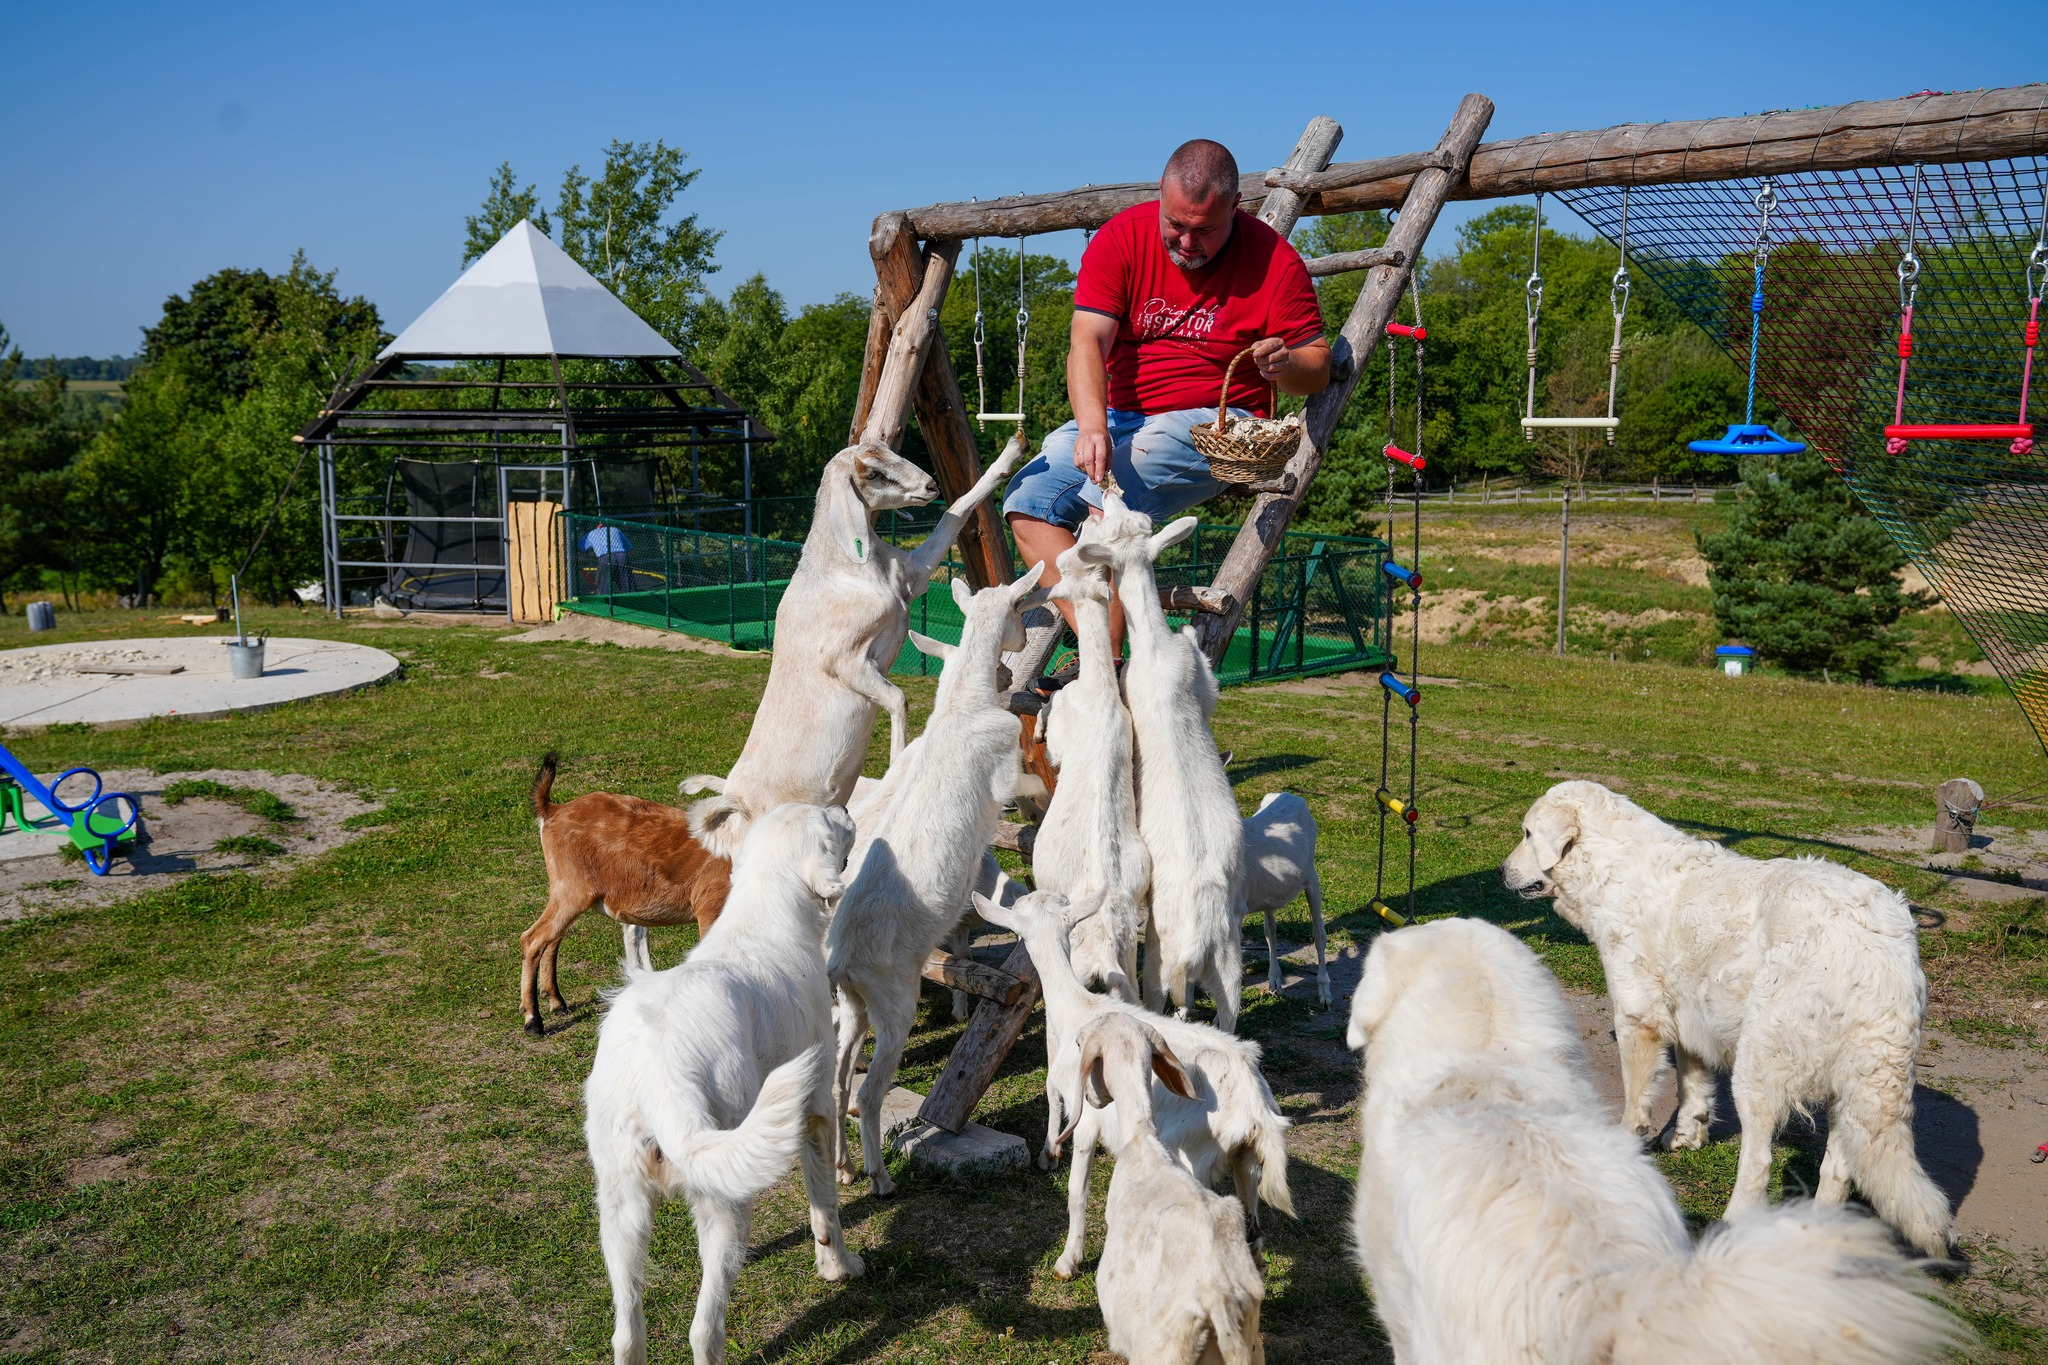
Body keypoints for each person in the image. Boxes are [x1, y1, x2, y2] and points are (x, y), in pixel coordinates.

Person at [1002, 137, 1331, 654]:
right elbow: (1087, 339)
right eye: (1175, 224)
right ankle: (1099, 647)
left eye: (1204, 231)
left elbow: (1319, 364)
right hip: (1117, 414)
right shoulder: (1121, 238)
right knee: (1028, 502)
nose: (1186, 241)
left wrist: (1287, 365)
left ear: (1235, 209)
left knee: (1102, 512)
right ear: (1160, 195)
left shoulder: (1275, 263)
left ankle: (1101, 669)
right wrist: (1091, 427)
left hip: (1218, 422)